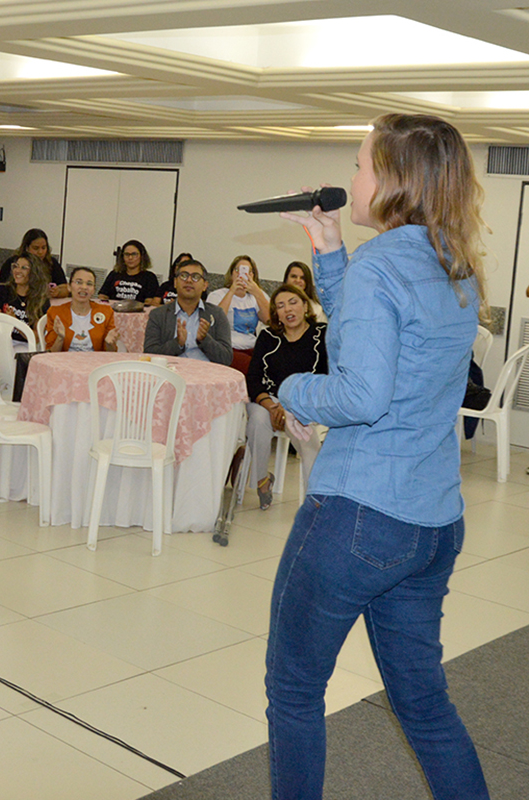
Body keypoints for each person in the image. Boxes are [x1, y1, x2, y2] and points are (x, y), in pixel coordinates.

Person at [267, 113, 490, 800]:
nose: (350, 178)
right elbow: (378, 337)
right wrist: (330, 253)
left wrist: (290, 384)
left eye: (360, 164)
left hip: (359, 518)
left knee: (295, 692)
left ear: (394, 180)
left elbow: (362, 391)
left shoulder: (380, 268)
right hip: (431, 524)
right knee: (424, 706)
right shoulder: (455, 264)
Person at [245, 284, 328, 509]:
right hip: (268, 401)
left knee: (304, 435)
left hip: (304, 403)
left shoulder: (321, 334)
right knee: (258, 420)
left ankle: (315, 500)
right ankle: (262, 482)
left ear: (305, 305)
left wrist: (292, 406)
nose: (287, 309)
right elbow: (253, 377)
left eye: (293, 302)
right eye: (280, 306)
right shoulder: (268, 336)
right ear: (276, 313)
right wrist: (271, 406)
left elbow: (326, 377)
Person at [143, 258, 232, 364]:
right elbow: (149, 354)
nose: (189, 280)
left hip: (206, 375)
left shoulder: (216, 314)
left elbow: (226, 358)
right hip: (170, 373)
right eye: (184, 276)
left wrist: (205, 340)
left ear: (205, 285)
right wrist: (177, 343)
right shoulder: (158, 314)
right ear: (175, 282)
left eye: (195, 277)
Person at [207, 254, 270, 374]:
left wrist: (257, 292)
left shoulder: (257, 295)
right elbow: (214, 322)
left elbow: (270, 320)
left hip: (253, 348)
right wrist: (232, 291)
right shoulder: (217, 295)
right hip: (228, 349)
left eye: (249, 271)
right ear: (231, 274)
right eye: (238, 270)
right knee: (251, 367)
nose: (243, 274)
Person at [43, 267, 116, 352]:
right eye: (79, 282)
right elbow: (50, 354)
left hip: (95, 363)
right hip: (65, 362)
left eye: (89, 284)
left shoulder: (106, 312)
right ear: (69, 287)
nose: (84, 287)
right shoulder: (56, 312)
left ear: (93, 290)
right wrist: (60, 338)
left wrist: (109, 343)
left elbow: (111, 354)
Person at [0, 253, 51, 344]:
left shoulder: (41, 299)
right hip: (1, 341)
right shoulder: (2, 291)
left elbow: (36, 338)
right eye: (16, 266)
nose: (17, 271)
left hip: (27, 346)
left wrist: (15, 322)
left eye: (24, 268)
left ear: (34, 273)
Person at [0, 229, 68, 298]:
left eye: (43, 248)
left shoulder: (51, 263)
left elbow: (65, 288)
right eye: (36, 248)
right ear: (26, 248)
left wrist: (58, 292)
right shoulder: (12, 263)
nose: (40, 252)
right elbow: (2, 288)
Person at [98, 240, 160, 304]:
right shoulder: (114, 274)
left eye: (134, 254)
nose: (130, 258)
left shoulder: (150, 277)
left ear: (142, 256)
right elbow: (102, 296)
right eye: (127, 254)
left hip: (138, 312)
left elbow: (149, 302)